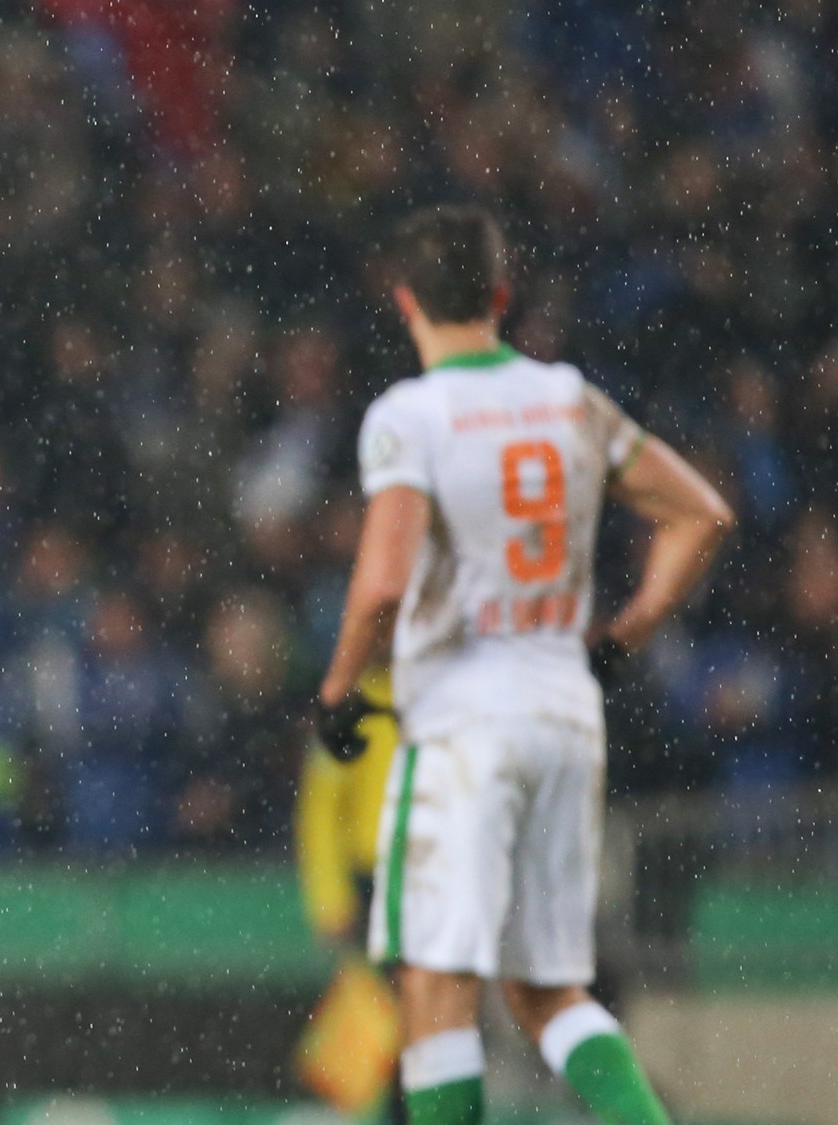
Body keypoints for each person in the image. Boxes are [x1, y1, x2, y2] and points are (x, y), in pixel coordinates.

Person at [313, 205, 734, 1125]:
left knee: (433, 978)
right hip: (563, 714)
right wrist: (626, 633)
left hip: (464, 723)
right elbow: (701, 512)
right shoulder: (570, 400)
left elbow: (383, 580)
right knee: (547, 991)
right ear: (500, 297)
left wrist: (338, 689)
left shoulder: (410, 416)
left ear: (405, 302)